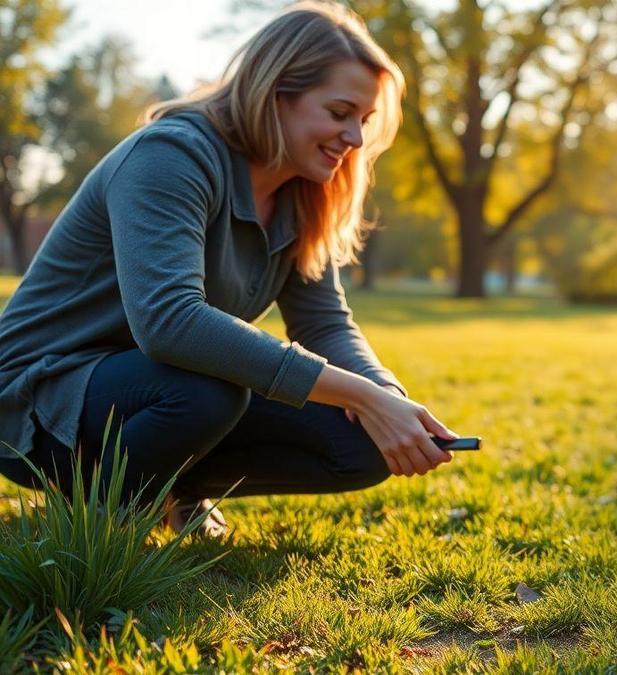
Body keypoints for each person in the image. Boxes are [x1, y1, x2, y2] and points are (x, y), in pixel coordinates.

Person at [0, 1, 456, 537]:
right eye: (339, 113)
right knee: (207, 392)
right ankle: (99, 517)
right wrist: (361, 394)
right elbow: (170, 323)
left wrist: (386, 399)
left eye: (364, 120)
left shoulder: (302, 194)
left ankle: (177, 489)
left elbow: (324, 322)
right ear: (276, 96)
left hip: (165, 388)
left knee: (360, 443)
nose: (355, 138)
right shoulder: (170, 156)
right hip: (42, 394)